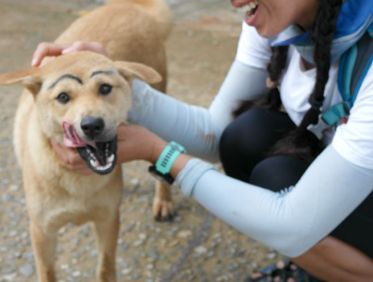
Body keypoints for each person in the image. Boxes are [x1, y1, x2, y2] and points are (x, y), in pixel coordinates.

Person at [31, 0, 373, 280]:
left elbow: (293, 224)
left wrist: (160, 154)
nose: (236, 2)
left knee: (283, 198)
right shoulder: (276, 16)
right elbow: (216, 133)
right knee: (247, 136)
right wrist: (113, 83)